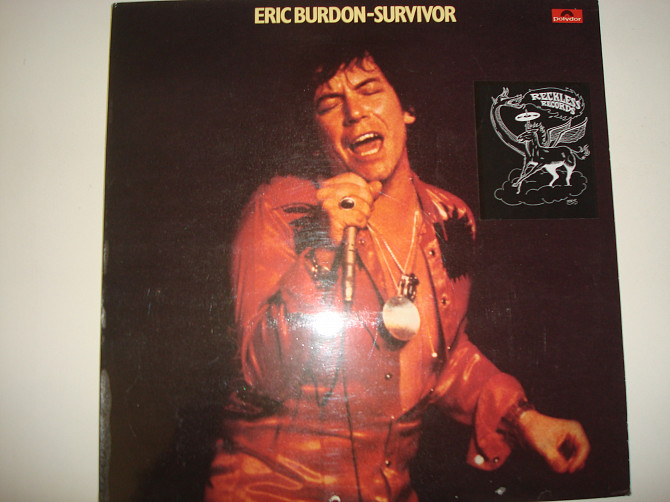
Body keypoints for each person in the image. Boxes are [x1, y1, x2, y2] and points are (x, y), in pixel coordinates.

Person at [205, 49, 590, 502]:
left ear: (407, 108)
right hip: (271, 489)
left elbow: (442, 357)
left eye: (369, 89)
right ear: (315, 131)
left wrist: (522, 419)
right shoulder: (279, 210)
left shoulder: (449, 218)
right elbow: (259, 372)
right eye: (329, 103)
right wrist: (326, 248)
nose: (354, 112)